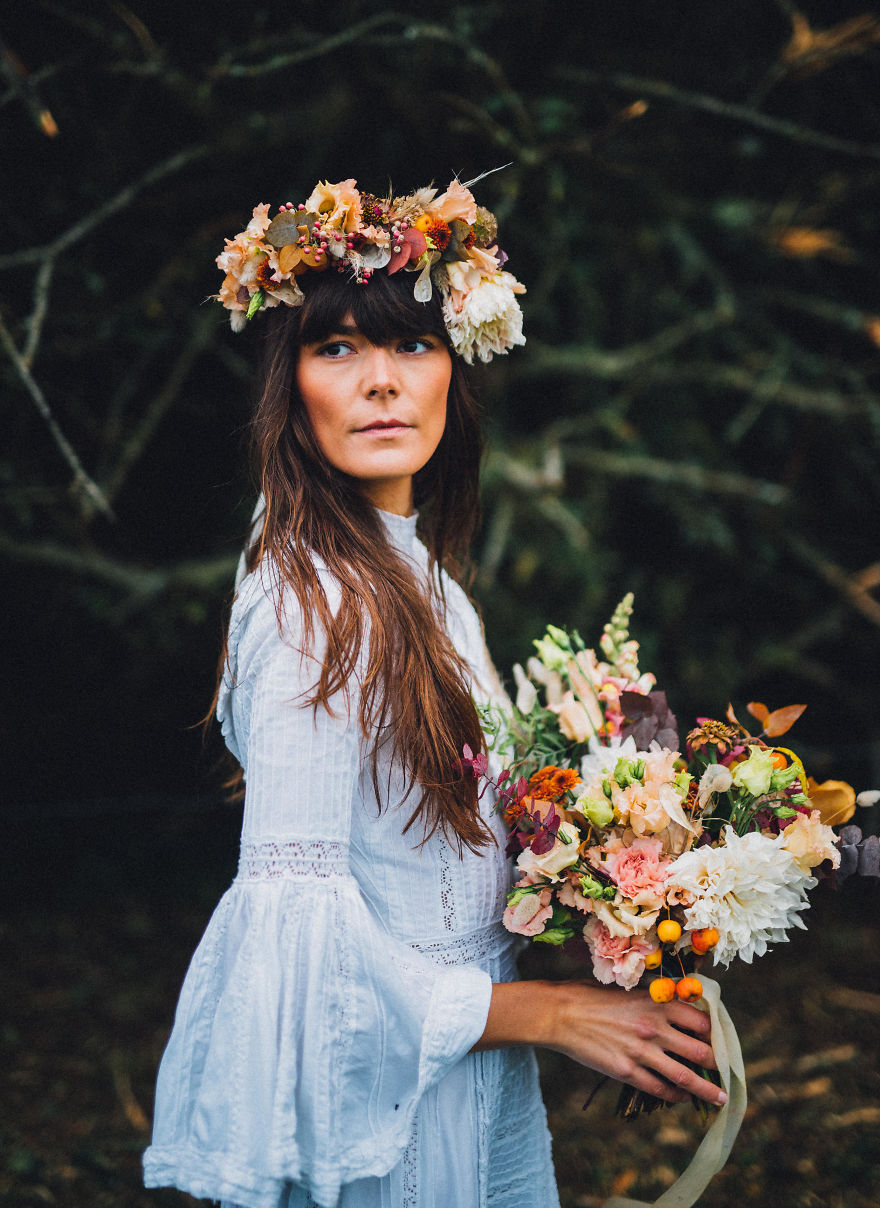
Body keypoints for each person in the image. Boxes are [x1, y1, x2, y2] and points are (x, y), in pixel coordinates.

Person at [143, 177, 726, 1208]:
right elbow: (301, 943)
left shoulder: (426, 579)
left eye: (411, 345)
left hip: (460, 1072)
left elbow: (441, 857)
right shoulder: (308, 606)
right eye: (337, 348)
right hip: (380, 1098)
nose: (380, 381)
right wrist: (547, 1015)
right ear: (293, 385)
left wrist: (619, 899)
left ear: (455, 368)